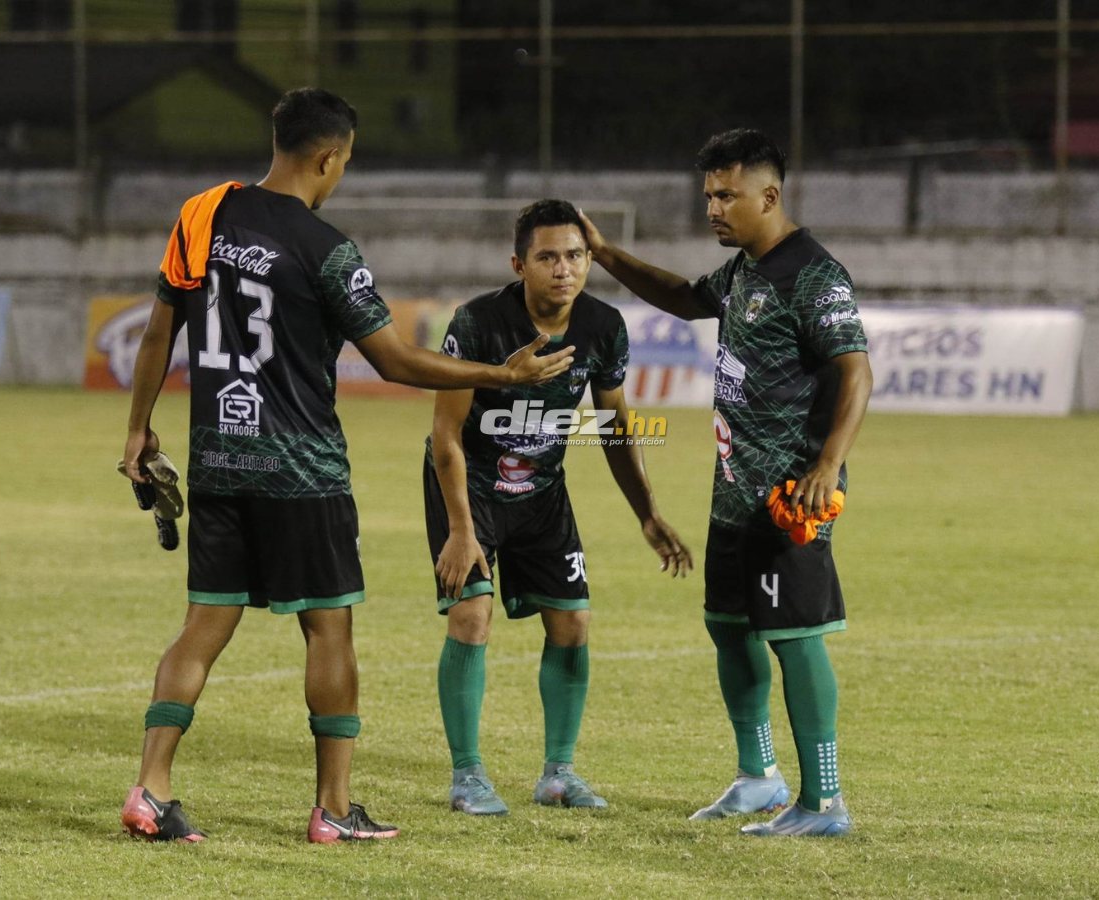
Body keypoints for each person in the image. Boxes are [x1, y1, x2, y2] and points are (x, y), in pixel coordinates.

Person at [119, 88, 575, 844]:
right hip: (303, 473)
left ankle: (150, 789)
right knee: (330, 631)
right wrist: (506, 376)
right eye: (345, 164)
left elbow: (157, 331)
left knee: (203, 624)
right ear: (329, 156)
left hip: (219, 461)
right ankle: (333, 811)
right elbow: (395, 360)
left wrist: (138, 431)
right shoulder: (327, 249)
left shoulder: (200, 215)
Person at [579, 129, 873, 836]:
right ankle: (756, 775)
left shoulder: (813, 273)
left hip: (788, 498)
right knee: (728, 626)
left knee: (796, 636)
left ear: (769, 196)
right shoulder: (745, 269)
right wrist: (606, 253)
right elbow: (683, 298)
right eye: (708, 193)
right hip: (733, 494)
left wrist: (826, 465)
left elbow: (855, 370)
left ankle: (824, 800)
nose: (712, 206)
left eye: (726, 194)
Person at [425, 200, 693, 815]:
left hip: (543, 488)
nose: (563, 269)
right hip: (472, 485)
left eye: (575, 256)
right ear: (520, 264)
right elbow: (445, 436)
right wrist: (461, 530)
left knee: (572, 622)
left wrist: (647, 513)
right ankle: (467, 777)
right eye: (547, 257)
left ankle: (558, 775)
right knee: (471, 614)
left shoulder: (602, 327)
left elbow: (616, 427)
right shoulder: (479, 322)